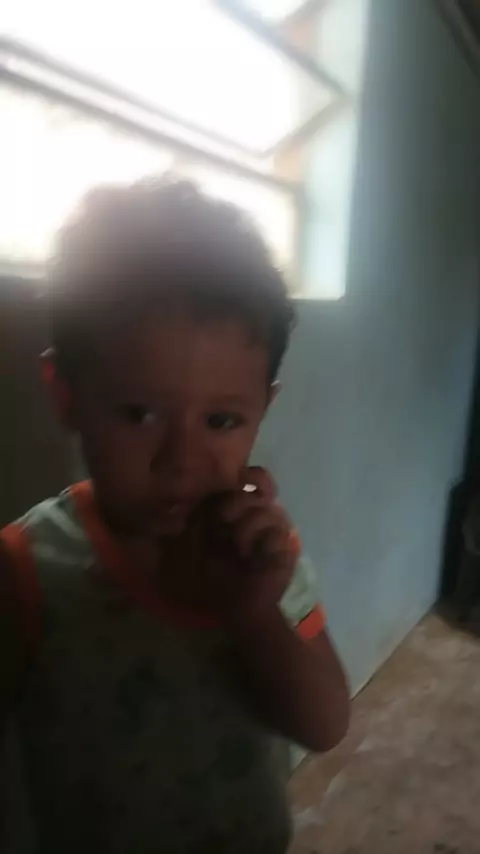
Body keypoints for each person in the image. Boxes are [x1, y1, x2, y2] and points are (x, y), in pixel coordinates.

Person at [0, 177, 349, 854]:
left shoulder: (260, 551)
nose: (182, 462)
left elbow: (325, 725)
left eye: (221, 420)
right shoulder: (27, 569)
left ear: (262, 409)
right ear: (67, 397)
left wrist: (253, 616)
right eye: (140, 414)